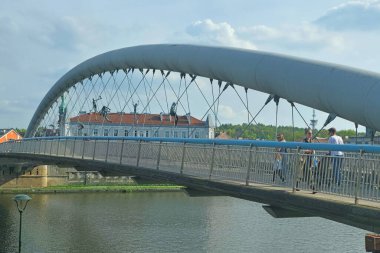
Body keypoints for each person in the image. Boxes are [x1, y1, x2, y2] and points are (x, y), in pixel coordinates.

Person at [296, 129, 316, 193]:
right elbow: (301, 149)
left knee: (307, 173)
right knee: (302, 173)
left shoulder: (311, 141)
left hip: (309, 159)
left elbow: (313, 150)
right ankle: (312, 187)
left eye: (311, 133)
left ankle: (311, 186)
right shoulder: (303, 141)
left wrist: (313, 153)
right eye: (309, 133)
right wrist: (309, 151)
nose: (310, 135)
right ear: (306, 134)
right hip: (303, 159)